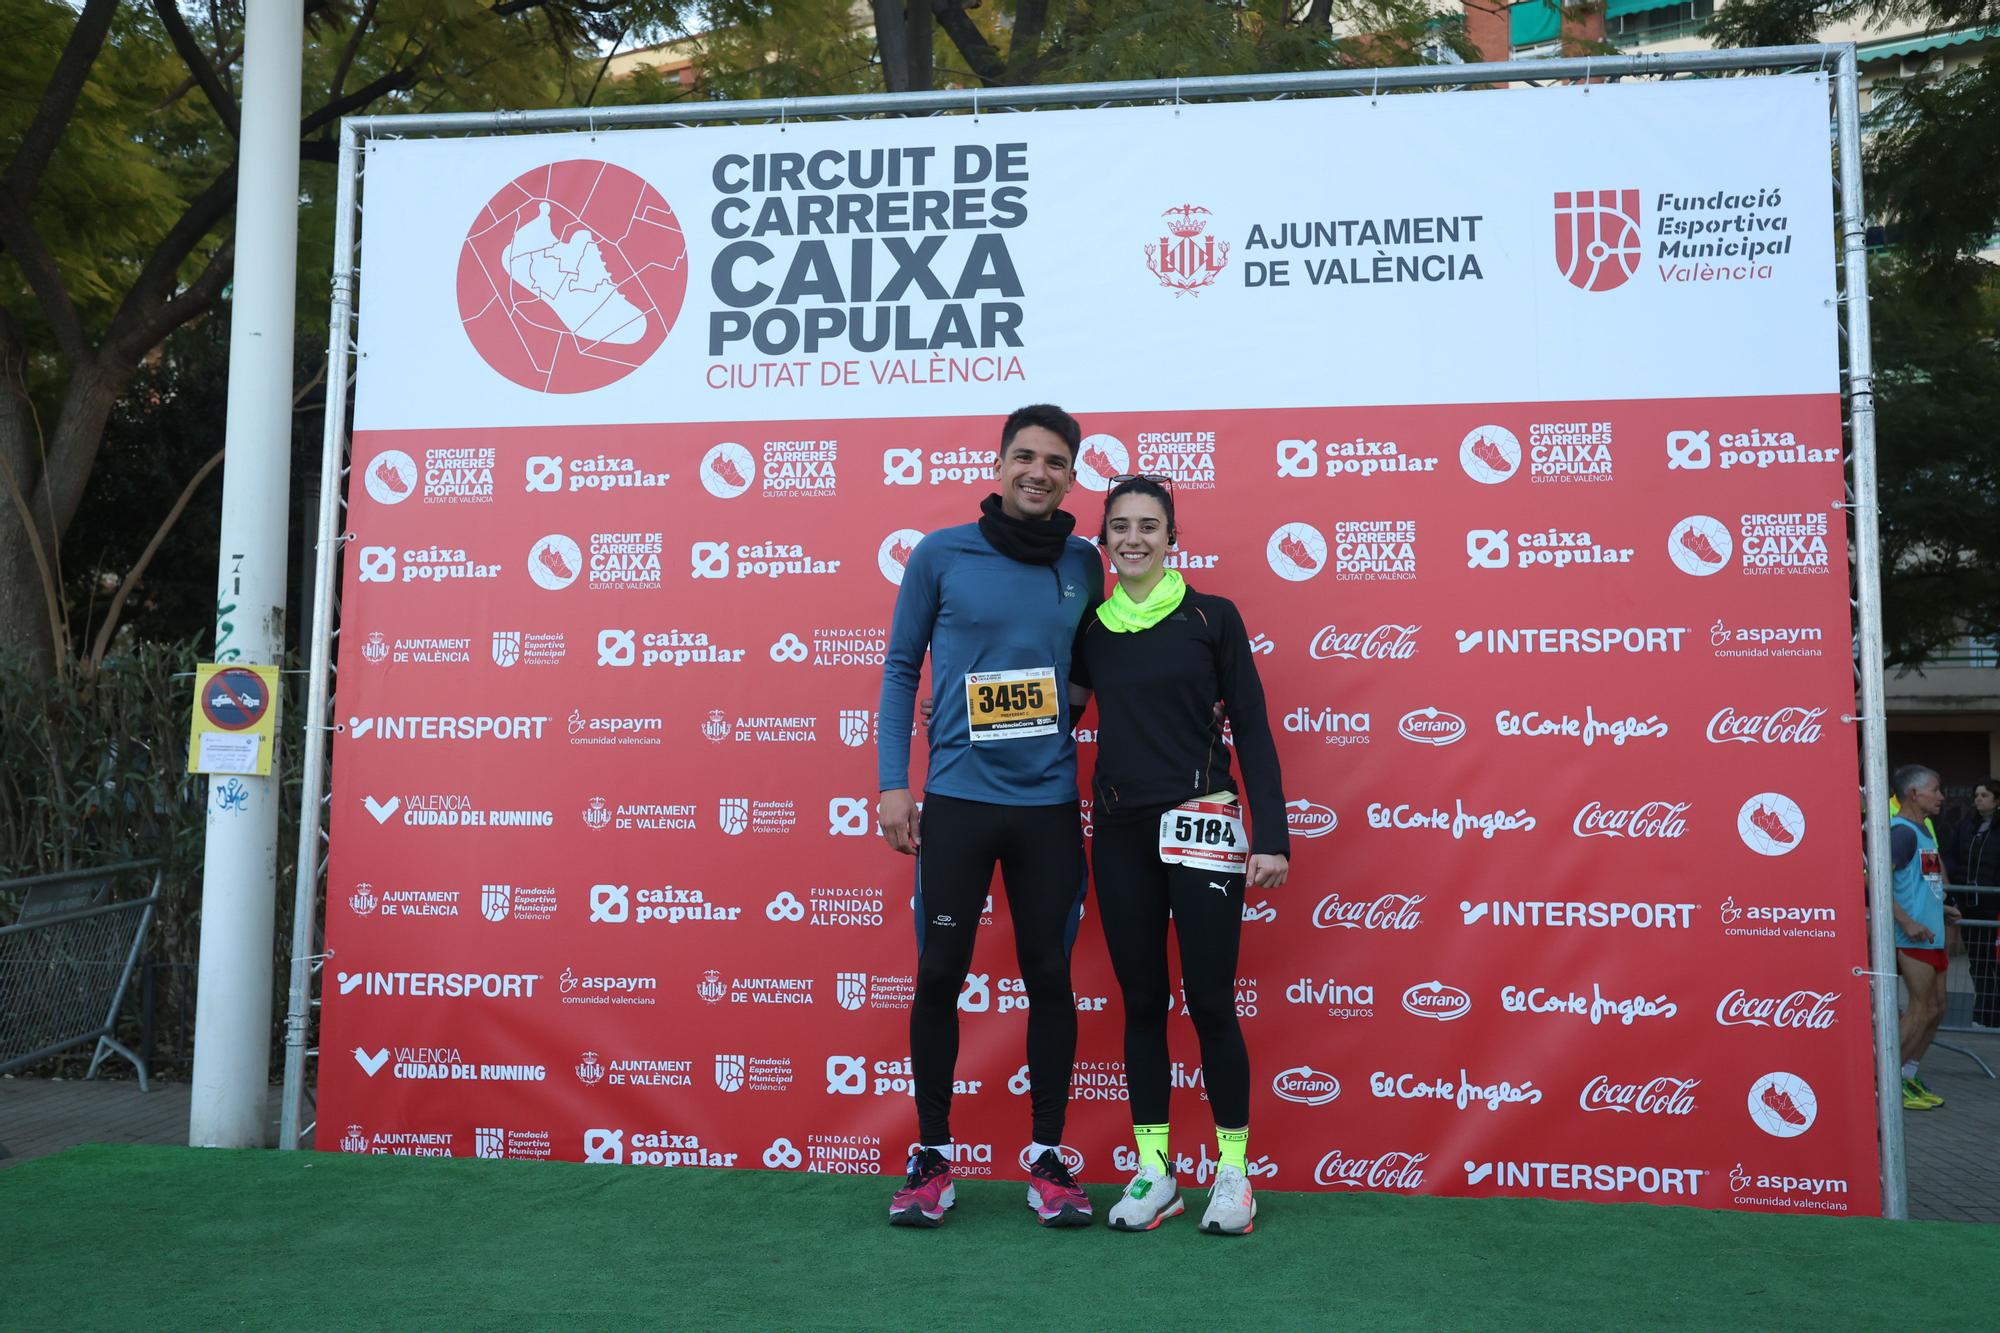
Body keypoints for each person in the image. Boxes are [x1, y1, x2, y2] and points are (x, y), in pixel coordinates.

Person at [877, 404, 1104, 1228]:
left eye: (1055, 462)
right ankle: (932, 1155)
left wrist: (1048, 721)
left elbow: (1083, 669)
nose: (1038, 472)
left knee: (1049, 978)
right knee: (940, 972)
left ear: (1071, 476)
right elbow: (904, 666)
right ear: (999, 464)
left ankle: (1047, 1157)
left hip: (1045, 805)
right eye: (1024, 457)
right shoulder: (941, 554)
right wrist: (893, 783)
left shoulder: (1085, 562)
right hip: (959, 802)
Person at [1069, 475, 1289, 1236]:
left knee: (1211, 999)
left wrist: (1273, 835)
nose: (1134, 537)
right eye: (1120, 525)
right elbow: (1051, 716)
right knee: (1140, 1004)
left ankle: (1233, 1171)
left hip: (1204, 822)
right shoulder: (1091, 628)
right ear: (1105, 538)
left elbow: (1253, 728)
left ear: (1173, 537)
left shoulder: (1212, 616)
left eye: (1149, 525)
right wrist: (961, 713)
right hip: (1123, 831)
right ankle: (1156, 1170)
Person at [1892, 764, 1959, 1109]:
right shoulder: (1900, 831)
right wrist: (1906, 922)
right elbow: (1875, 879)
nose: (1941, 796)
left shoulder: (1923, 830)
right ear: (1914, 794)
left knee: (1937, 1008)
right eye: (1935, 789)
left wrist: (1941, 907)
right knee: (1920, 1009)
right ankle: (1885, 1085)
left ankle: (1907, 1074)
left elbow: (1925, 880)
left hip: (1932, 933)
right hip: (1912, 938)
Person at [1943, 779, 2000, 1027]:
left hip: (1993, 906)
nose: (1978, 799)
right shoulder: (1967, 826)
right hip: (1969, 905)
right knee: (1978, 961)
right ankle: (1983, 1011)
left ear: (1997, 800)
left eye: (1984, 795)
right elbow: (1954, 856)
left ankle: (1993, 1012)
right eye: (1976, 795)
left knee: (1993, 959)